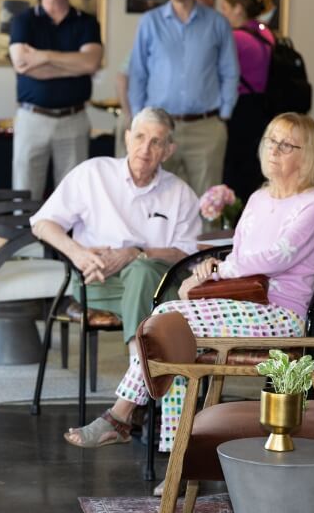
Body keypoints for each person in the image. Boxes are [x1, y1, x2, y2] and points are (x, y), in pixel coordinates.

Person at [63, 113, 314, 455]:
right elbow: (240, 254)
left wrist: (220, 270)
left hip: (280, 316)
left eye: (286, 144)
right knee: (173, 347)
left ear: (307, 155)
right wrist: (206, 271)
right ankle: (179, 460)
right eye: (271, 140)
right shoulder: (260, 198)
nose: (274, 149)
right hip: (242, 305)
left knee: (167, 322)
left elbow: (278, 256)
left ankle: (119, 416)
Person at [31, 107, 200, 418]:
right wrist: (78, 253)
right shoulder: (93, 173)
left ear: (169, 150)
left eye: (156, 142)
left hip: (156, 283)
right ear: (126, 137)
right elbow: (42, 223)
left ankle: (135, 384)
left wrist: (137, 251)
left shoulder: (180, 193)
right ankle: (149, 391)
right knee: (158, 296)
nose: (145, 149)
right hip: (97, 282)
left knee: (143, 271)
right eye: (139, 137)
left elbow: (187, 253)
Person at [129, 0, 239, 199]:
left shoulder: (217, 23)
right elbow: (137, 73)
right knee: (154, 201)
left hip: (205, 128)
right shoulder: (150, 22)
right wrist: (140, 119)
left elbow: (230, 71)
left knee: (207, 204)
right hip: (159, 129)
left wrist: (225, 114)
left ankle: (205, 240)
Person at [9, 0, 104, 200]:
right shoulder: (23, 21)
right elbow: (22, 64)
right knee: (25, 197)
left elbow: (91, 62)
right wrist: (74, 65)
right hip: (32, 119)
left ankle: (64, 241)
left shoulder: (87, 22)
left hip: (74, 120)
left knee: (72, 200)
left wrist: (43, 56)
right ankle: (27, 240)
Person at [219, 0, 276, 204]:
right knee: (253, 169)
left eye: (225, 7)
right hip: (262, 108)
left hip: (240, 109)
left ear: (238, 9)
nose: (222, 13)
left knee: (234, 170)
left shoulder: (236, 38)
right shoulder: (265, 34)